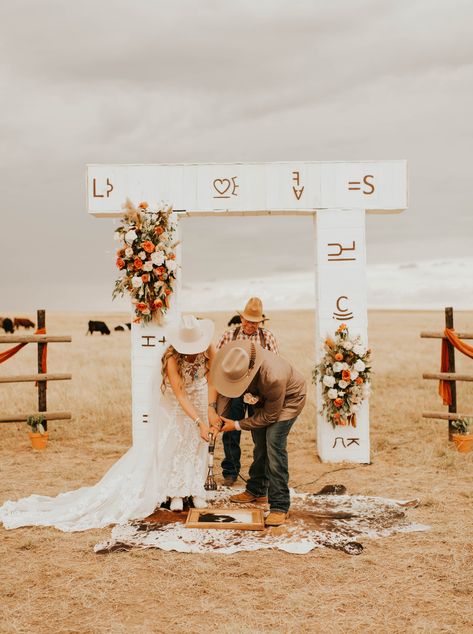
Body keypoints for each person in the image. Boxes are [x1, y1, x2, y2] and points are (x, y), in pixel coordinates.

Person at [0, 315, 220, 531]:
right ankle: (175, 492)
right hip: (176, 403)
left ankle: (193, 488)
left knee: (195, 443)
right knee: (174, 442)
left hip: (199, 398)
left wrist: (209, 411)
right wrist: (199, 421)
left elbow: (212, 382)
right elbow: (180, 394)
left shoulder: (209, 349)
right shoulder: (172, 357)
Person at [210, 340, 306, 527]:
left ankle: (280, 505)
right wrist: (219, 419)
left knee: (273, 445)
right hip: (264, 399)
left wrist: (236, 425)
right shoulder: (236, 360)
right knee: (259, 443)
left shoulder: (273, 377)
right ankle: (257, 489)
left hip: (288, 400)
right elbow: (226, 394)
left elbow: (270, 416)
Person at [215, 297, 279, 487]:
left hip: (258, 393)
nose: (251, 325)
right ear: (241, 318)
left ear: (261, 322)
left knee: (258, 433)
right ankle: (230, 471)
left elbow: (274, 366)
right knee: (230, 431)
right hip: (233, 389)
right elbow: (218, 362)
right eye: (248, 320)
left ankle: (259, 475)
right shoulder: (229, 335)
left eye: (255, 321)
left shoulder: (267, 337)